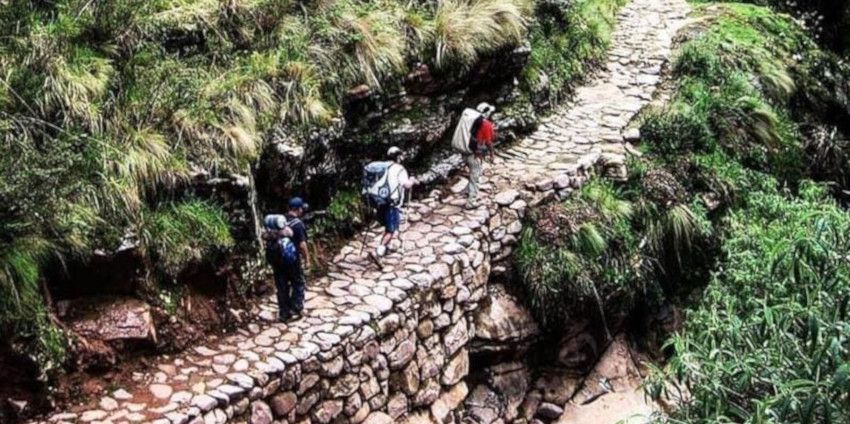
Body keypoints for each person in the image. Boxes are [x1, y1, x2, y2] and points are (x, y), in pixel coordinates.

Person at [370, 146, 417, 265]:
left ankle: (385, 248)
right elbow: (406, 185)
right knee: (391, 230)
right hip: (392, 203)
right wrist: (412, 181)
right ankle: (379, 252)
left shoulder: (382, 167)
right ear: (397, 156)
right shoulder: (399, 169)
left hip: (379, 201)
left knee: (387, 226)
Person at [271, 197, 310, 321]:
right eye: (301, 209)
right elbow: (302, 245)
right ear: (298, 209)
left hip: (277, 260)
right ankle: (296, 308)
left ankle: (284, 313)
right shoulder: (298, 224)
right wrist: (307, 260)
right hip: (293, 261)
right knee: (298, 282)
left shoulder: (279, 222)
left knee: (282, 286)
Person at [466, 102, 497, 209]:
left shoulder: (470, 120)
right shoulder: (486, 124)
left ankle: (467, 191)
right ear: (487, 113)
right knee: (476, 176)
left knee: (472, 171)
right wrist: (492, 155)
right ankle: (471, 201)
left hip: (465, 150)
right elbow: (488, 142)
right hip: (475, 154)